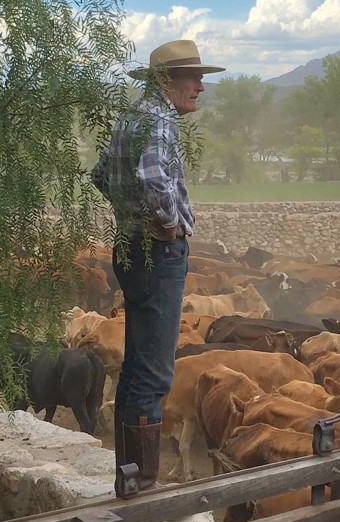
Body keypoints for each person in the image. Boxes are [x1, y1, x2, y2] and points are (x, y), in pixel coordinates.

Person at [105, 40, 224, 497]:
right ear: (166, 82)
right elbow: (155, 180)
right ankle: (142, 485)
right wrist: (168, 226)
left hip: (130, 249)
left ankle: (129, 476)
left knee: (136, 367)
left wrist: (128, 217)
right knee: (153, 373)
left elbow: (102, 173)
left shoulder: (129, 119)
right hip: (157, 254)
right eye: (193, 77)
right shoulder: (157, 120)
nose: (201, 86)